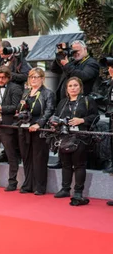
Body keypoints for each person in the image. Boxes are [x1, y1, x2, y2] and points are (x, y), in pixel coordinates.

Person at [51, 77, 99, 205]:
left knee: (79, 165)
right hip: (64, 136)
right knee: (65, 164)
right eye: (70, 86)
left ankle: (78, 192)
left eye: (75, 85)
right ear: (66, 89)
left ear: (80, 87)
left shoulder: (87, 100)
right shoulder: (62, 102)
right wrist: (55, 122)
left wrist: (82, 120)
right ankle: (65, 188)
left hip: (81, 137)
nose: (73, 88)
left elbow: (96, 116)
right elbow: (57, 116)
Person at [17, 68, 55, 195]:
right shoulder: (26, 93)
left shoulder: (48, 93)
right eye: (31, 77)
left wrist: (39, 124)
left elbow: (49, 110)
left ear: (42, 79)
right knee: (26, 157)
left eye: (37, 77)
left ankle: (40, 186)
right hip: (25, 128)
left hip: (39, 129)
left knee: (39, 158)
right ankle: (28, 184)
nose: (33, 79)